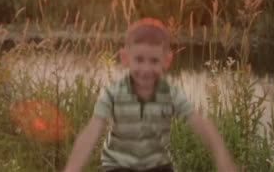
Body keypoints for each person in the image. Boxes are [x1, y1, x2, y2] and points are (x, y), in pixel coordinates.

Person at [63, 18, 237, 172]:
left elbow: (200, 123)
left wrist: (221, 155)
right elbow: (91, 132)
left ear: (167, 61)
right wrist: (72, 168)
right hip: (119, 165)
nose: (146, 69)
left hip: (157, 166)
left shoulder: (170, 94)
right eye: (139, 60)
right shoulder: (113, 93)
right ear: (125, 58)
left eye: (154, 61)